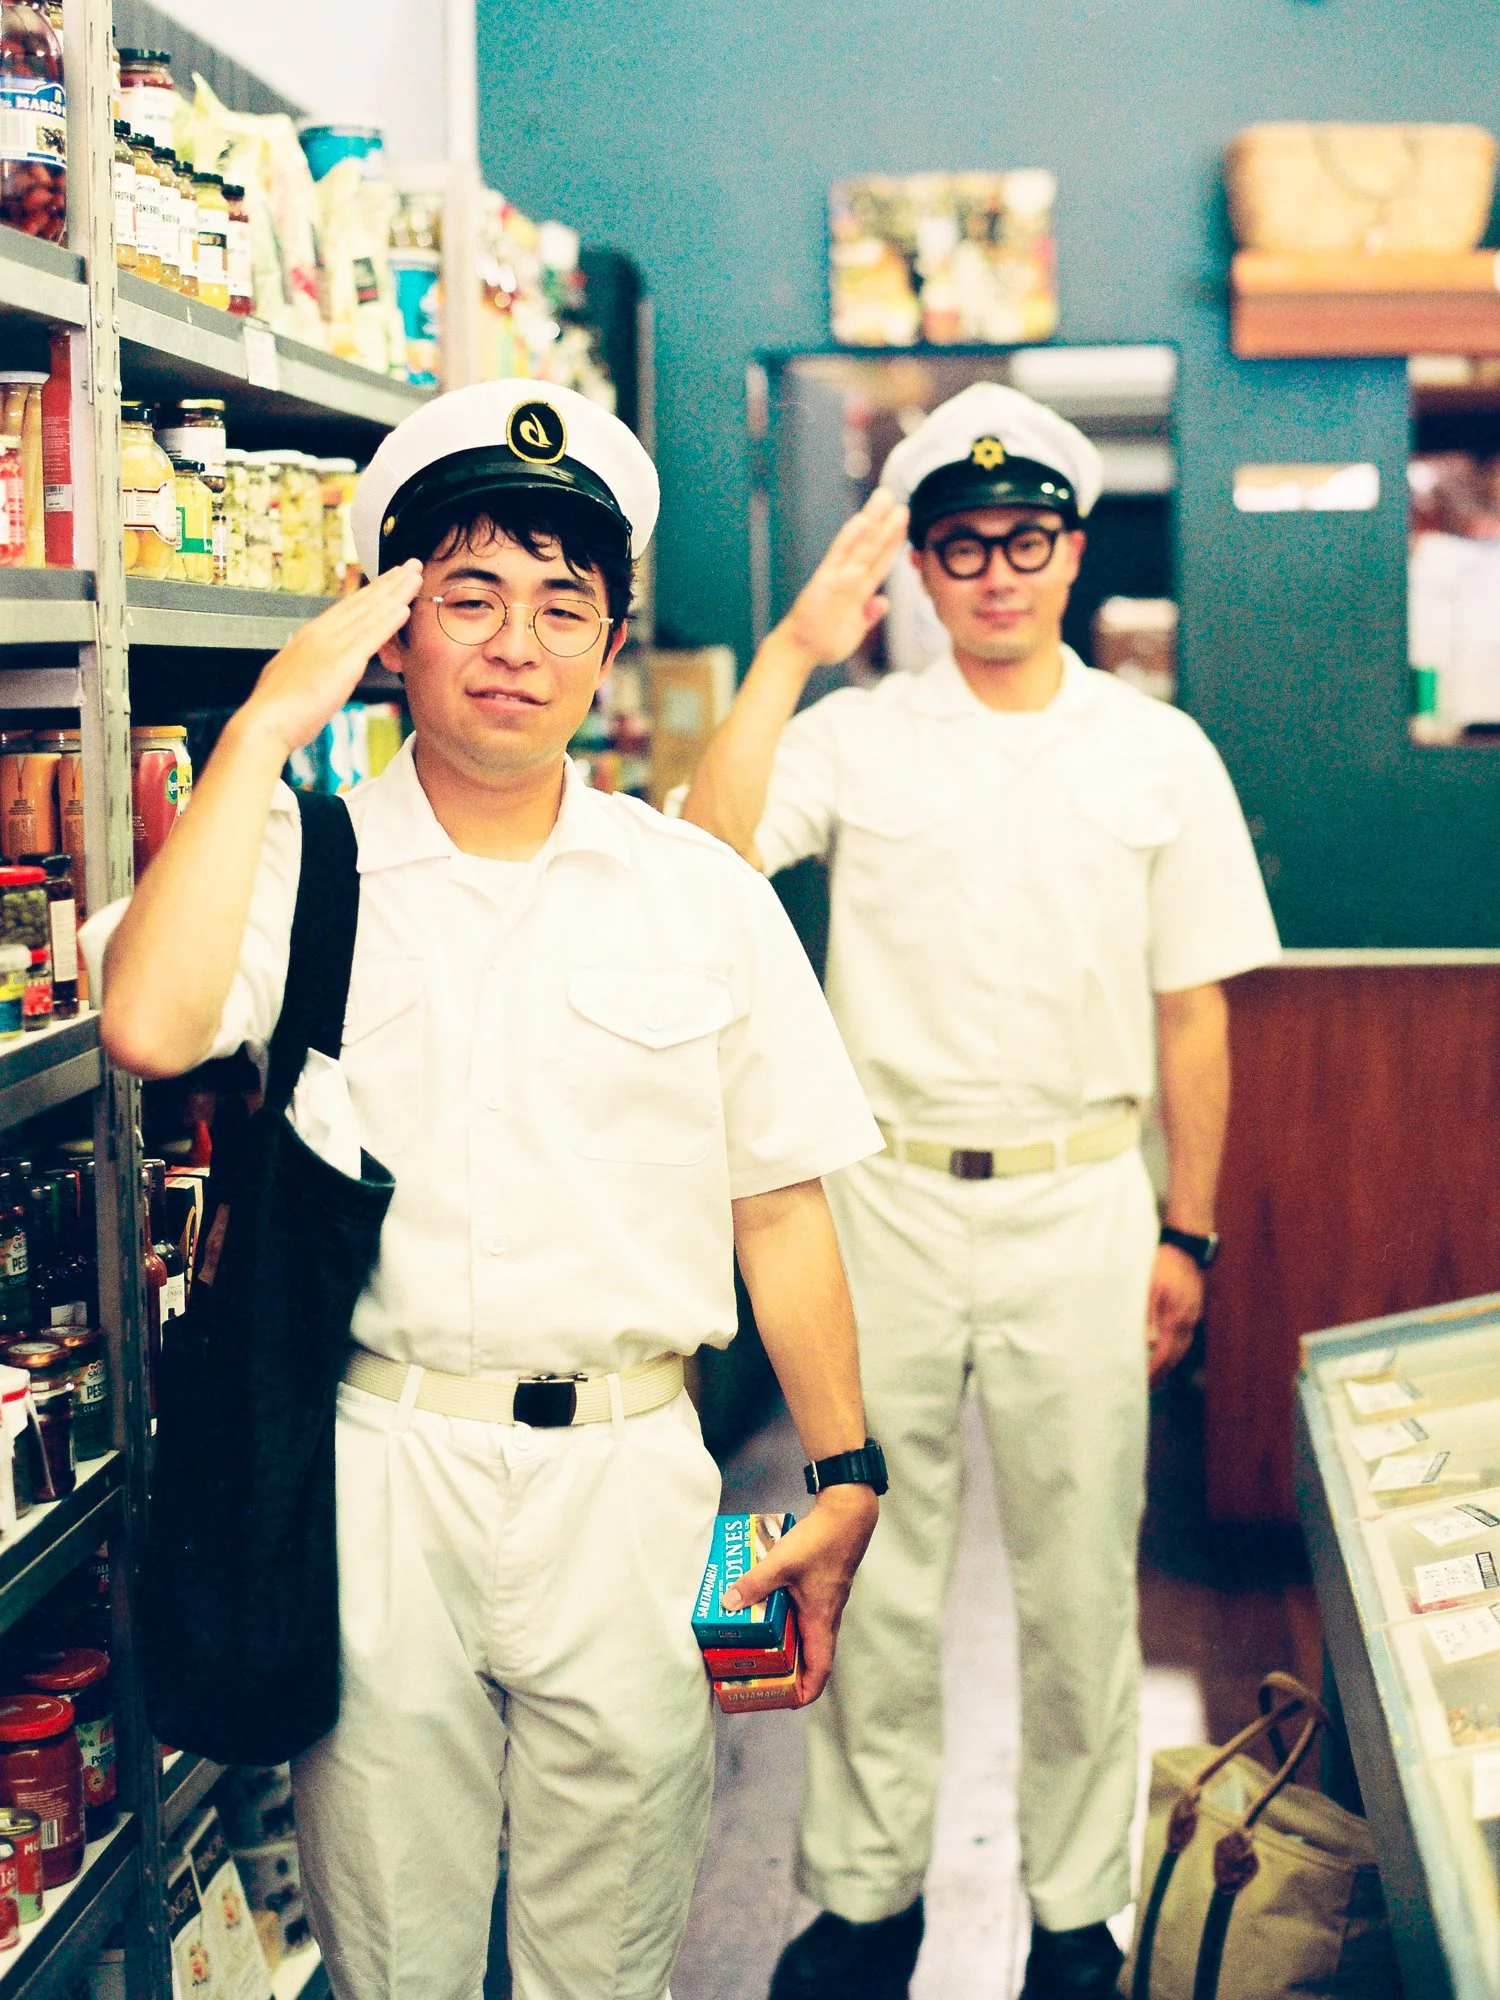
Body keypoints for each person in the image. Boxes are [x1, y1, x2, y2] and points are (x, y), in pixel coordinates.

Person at [89, 380, 890, 2000]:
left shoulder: (700, 897)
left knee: (616, 1949)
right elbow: (148, 1022)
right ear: (393, 631)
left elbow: (780, 1205)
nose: (516, 642)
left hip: (638, 1475)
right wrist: (262, 725)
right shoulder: (303, 866)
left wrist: (846, 1468)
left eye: (560, 605)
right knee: (399, 1950)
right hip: (383, 1464)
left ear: (607, 650)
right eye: (468, 596)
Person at [684, 382, 1282, 2000]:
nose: (998, 572)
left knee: (1086, 1581)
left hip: (1088, 1207)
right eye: (963, 546)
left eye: (1027, 540)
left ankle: (1076, 1912)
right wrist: (800, 644)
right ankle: (866, 1899)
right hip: (881, 1209)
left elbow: (1196, 1011)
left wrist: (1187, 1229)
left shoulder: (1160, 752)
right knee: (865, 1557)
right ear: (926, 573)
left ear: (1073, 551)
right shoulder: (858, 737)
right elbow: (706, 847)